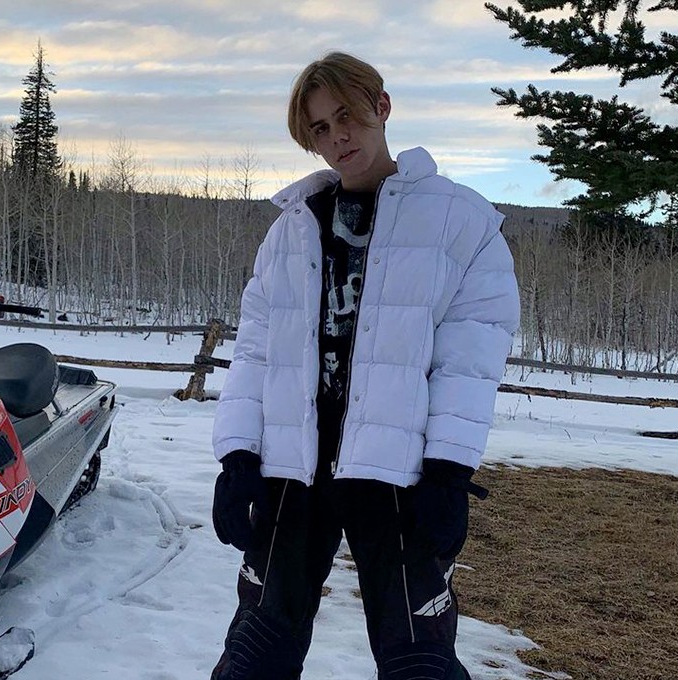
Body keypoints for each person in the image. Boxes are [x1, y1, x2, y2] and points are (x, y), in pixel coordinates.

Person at [210, 52, 520, 679]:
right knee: (255, 653)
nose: (337, 138)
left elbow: (469, 360)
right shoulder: (292, 228)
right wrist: (238, 457)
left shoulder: (460, 221)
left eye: (346, 116)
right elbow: (256, 351)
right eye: (320, 128)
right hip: (294, 465)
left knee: (418, 660)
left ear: (381, 106)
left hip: (397, 471)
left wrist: (449, 473)